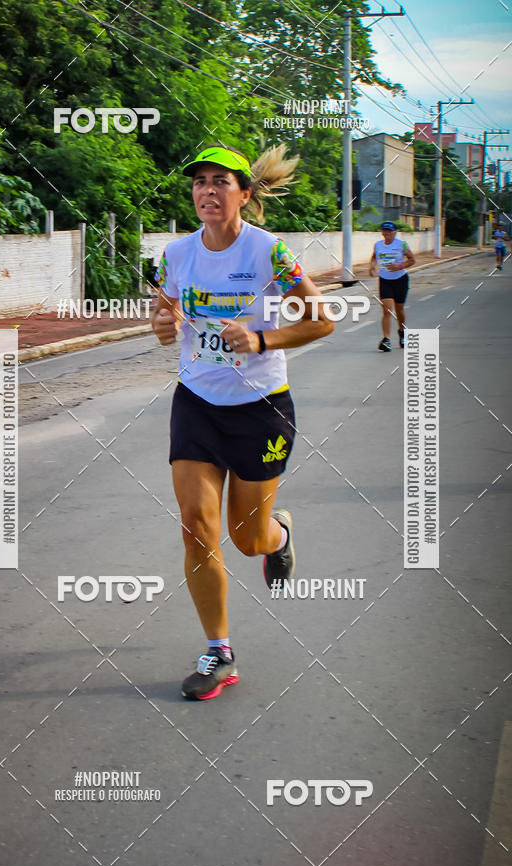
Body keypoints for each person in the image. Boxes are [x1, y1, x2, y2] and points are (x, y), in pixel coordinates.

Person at [152, 144, 333, 700]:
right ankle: (219, 652)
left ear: (243, 194)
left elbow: (321, 321)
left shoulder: (269, 253)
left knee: (246, 539)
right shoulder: (176, 254)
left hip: (261, 409)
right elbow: (163, 316)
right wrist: (164, 322)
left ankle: (278, 534)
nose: (207, 191)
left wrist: (260, 338)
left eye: (220, 182)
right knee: (196, 527)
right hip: (197, 403)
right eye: (199, 182)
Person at [369, 221, 415, 351]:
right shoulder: (378, 245)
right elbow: (374, 257)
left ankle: (402, 331)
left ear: (395, 232)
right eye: (385, 231)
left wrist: (398, 266)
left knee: (399, 309)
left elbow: (412, 260)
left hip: (400, 279)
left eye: (389, 231)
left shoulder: (402, 244)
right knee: (387, 310)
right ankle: (386, 339)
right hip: (385, 280)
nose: (387, 233)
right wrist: (372, 266)